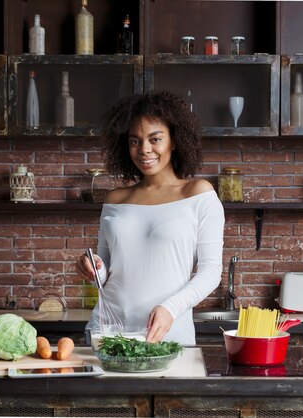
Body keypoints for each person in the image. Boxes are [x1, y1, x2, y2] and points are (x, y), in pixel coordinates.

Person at [76, 91, 224, 345]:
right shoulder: (115, 200)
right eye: (135, 141)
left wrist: (171, 308)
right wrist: (93, 266)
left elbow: (211, 271)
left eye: (155, 139)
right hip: (108, 331)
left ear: (174, 141)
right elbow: (107, 272)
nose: (144, 150)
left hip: (167, 334)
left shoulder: (199, 194)